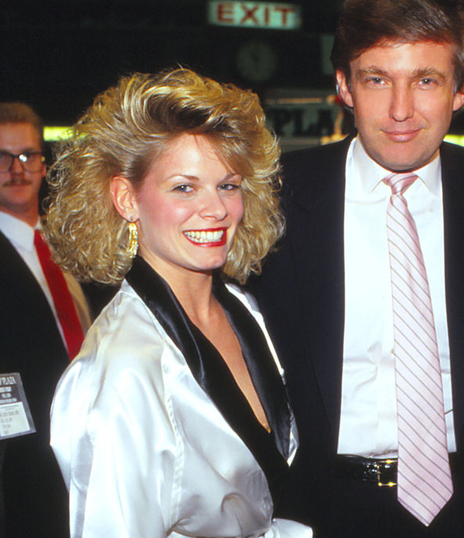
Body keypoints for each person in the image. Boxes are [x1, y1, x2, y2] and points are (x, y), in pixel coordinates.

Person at [250, 0, 464, 538]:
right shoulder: (271, 199)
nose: (401, 110)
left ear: (461, 90)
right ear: (344, 86)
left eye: (425, 80)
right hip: (317, 512)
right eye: (377, 79)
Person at [43, 69, 310, 538]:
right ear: (126, 198)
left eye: (228, 185)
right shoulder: (123, 369)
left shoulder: (245, 311)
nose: (217, 209)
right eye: (184, 187)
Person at [0, 102, 91, 537]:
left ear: (43, 165)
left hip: (91, 439)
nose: (16, 169)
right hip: (20, 463)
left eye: (27, 156)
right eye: (1, 157)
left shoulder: (72, 245)